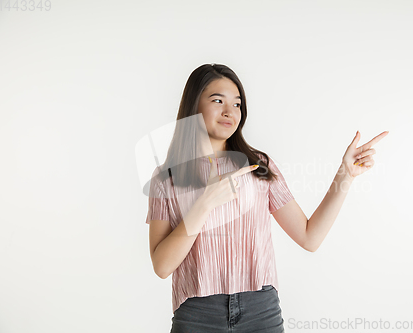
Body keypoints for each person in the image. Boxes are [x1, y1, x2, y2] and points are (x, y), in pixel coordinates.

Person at [145, 63, 389, 332]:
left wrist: (345, 175)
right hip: (197, 315)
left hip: (260, 311)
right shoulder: (165, 178)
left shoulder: (259, 166)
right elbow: (162, 266)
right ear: (194, 105)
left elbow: (310, 237)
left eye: (237, 104)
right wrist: (204, 203)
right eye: (218, 100)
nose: (230, 111)